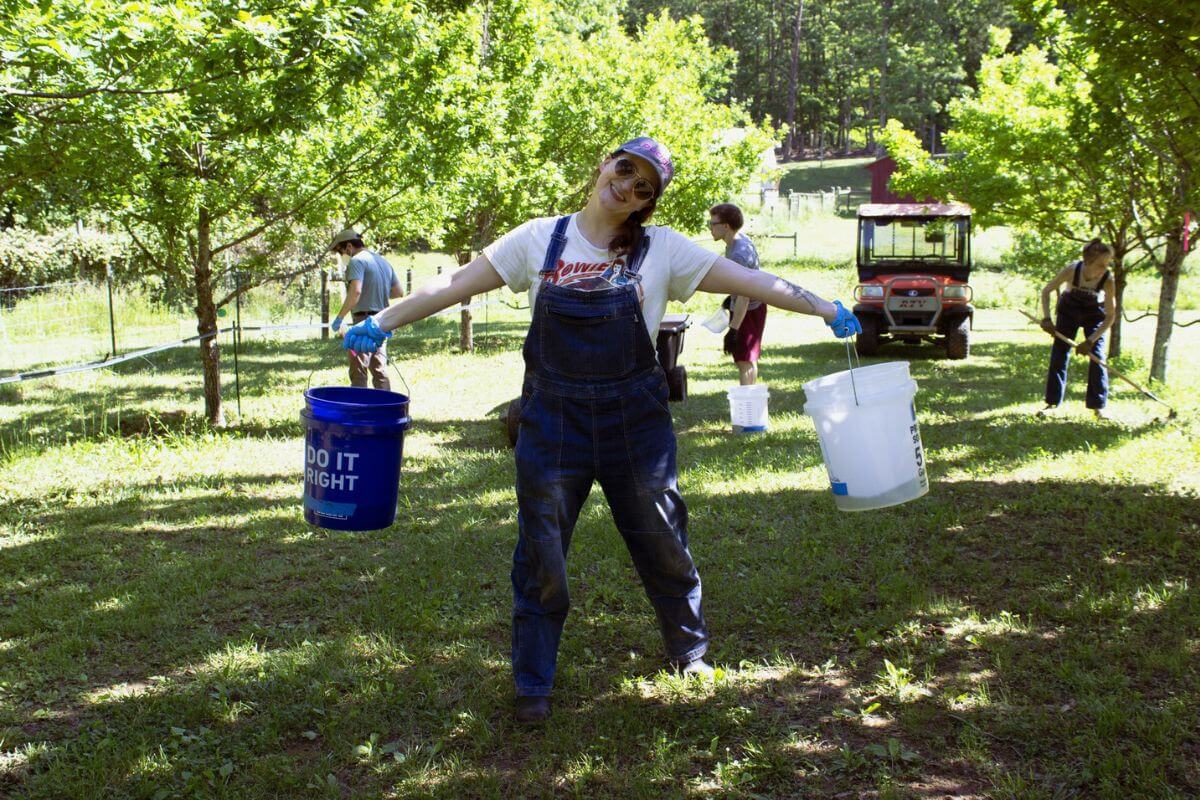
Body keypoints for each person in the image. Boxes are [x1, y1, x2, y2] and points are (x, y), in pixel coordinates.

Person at [342, 137, 861, 724]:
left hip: (635, 426)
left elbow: (755, 284)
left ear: (648, 202)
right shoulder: (538, 238)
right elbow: (455, 284)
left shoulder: (664, 250)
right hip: (552, 424)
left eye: (645, 187)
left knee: (662, 536)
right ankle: (532, 680)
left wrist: (823, 306)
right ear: (605, 165)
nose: (629, 187)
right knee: (542, 551)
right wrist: (382, 321)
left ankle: (688, 652)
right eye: (626, 169)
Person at [1038, 238, 1117, 419]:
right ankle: (1051, 403)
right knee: (1059, 354)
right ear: (1088, 262)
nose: (1105, 269)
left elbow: (1110, 316)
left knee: (1097, 357)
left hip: (1094, 314)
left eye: (1107, 264)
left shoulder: (1108, 280)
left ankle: (1098, 407)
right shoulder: (1073, 270)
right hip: (1069, 311)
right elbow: (1046, 291)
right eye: (1101, 265)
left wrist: (1090, 340)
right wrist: (1047, 319)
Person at [329, 228, 403, 391]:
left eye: (342, 252)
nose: (343, 256)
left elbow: (355, 291)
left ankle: (360, 410)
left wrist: (340, 317)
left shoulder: (357, 261)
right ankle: (385, 408)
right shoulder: (383, 262)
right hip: (382, 321)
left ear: (349, 246)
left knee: (358, 369)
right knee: (379, 368)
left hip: (363, 321)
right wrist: (377, 292)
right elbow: (399, 292)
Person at [708, 203, 765, 384]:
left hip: (748, 309)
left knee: (744, 361)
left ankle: (747, 407)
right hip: (748, 306)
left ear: (726, 226)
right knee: (747, 359)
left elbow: (744, 295)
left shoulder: (738, 253)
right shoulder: (736, 242)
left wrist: (733, 329)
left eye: (712, 223)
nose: (710, 227)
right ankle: (750, 403)